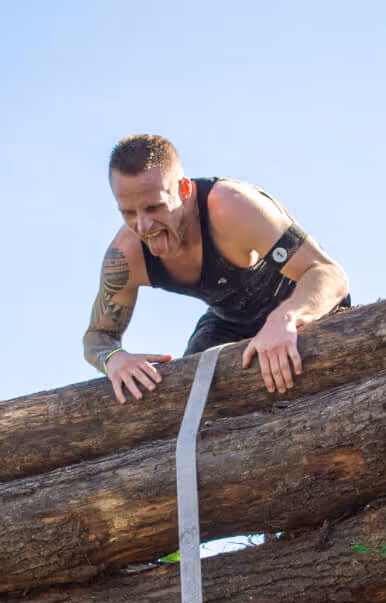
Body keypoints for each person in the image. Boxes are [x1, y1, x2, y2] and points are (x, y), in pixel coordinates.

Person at [83, 135, 350, 403]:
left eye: (155, 208)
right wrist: (113, 358)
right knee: (185, 394)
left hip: (299, 306)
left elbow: (329, 274)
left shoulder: (232, 207)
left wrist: (286, 319)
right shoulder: (126, 255)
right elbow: (98, 335)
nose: (143, 226)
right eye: (128, 213)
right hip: (229, 321)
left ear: (184, 191)